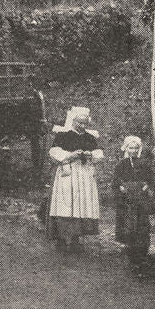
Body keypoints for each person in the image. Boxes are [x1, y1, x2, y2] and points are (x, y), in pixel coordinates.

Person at [46, 106, 104, 250]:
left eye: (85, 123)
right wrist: (70, 155)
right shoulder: (63, 135)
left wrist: (91, 155)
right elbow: (54, 152)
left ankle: (76, 239)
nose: (82, 126)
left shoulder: (90, 137)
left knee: (80, 205)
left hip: (84, 174)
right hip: (68, 173)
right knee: (66, 204)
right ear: (73, 121)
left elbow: (98, 153)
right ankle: (61, 238)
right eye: (79, 123)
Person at [113, 135, 155, 266]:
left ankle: (142, 248)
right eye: (131, 148)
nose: (134, 151)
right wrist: (120, 187)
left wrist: (146, 185)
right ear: (126, 148)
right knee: (129, 222)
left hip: (141, 197)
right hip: (127, 198)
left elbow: (151, 179)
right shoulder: (121, 164)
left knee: (142, 222)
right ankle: (130, 247)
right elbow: (115, 181)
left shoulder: (144, 163)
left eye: (136, 148)